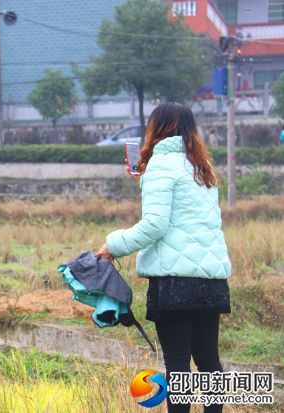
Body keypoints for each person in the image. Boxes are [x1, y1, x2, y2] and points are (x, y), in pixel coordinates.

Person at [95, 103, 231, 413]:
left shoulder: (161, 166)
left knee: (178, 365)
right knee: (209, 361)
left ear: (157, 129)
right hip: (211, 281)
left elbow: (155, 225)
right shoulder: (201, 166)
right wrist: (146, 178)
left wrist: (112, 245)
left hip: (175, 283)